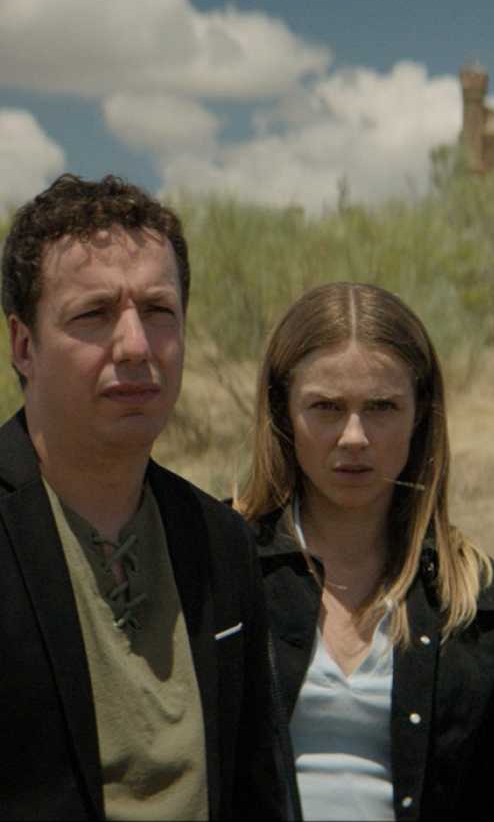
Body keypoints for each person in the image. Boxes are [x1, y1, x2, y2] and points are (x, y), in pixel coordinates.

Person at [0, 174, 290, 817]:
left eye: (158, 311)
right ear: (24, 345)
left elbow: (258, 786)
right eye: (94, 314)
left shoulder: (220, 544)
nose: (135, 346)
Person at [236, 282, 494, 820]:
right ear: (282, 411)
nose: (354, 436)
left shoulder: (471, 598)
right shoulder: (223, 566)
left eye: (381, 407)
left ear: (420, 413)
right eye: (326, 407)